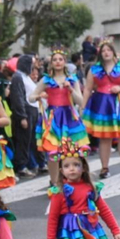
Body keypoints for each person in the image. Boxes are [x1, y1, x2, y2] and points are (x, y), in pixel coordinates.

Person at [30, 50, 89, 187]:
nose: (57, 62)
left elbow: (80, 102)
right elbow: (31, 97)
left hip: (69, 117)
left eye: (60, 59)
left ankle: (77, 178)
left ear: (64, 62)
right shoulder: (46, 80)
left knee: (74, 150)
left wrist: (71, 90)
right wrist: (39, 97)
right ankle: (55, 181)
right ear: (51, 63)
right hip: (53, 118)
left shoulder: (72, 79)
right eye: (55, 59)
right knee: (53, 151)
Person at [84, 41, 120, 178]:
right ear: (100, 53)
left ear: (113, 51)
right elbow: (88, 88)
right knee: (104, 137)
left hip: (119, 103)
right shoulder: (94, 69)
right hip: (101, 104)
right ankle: (104, 168)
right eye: (103, 51)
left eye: (109, 50)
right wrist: (83, 105)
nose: (106, 53)